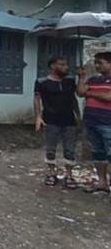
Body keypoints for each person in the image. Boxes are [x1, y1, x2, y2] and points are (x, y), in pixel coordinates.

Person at [33, 56, 80, 188]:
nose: (66, 67)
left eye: (66, 64)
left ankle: (69, 175)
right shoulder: (41, 82)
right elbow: (37, 99)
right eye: (62, 65)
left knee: (70, 149)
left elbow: (74, 98)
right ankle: (51, 173)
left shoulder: (70, 81)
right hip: (50, 119)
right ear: (53, 66)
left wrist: (78, 114)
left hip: (69, 119)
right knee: (50, 149)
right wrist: (38, 117)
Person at [77, 52, 111, 194]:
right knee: (98, 153)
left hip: (108, 122)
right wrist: (81, 77)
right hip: (91, 121)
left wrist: (90, 93)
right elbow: (80, 92)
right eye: (96, 62)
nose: (97, 65)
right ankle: (102, 182)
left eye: (100, 62)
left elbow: (108, 97)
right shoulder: (94, 80)